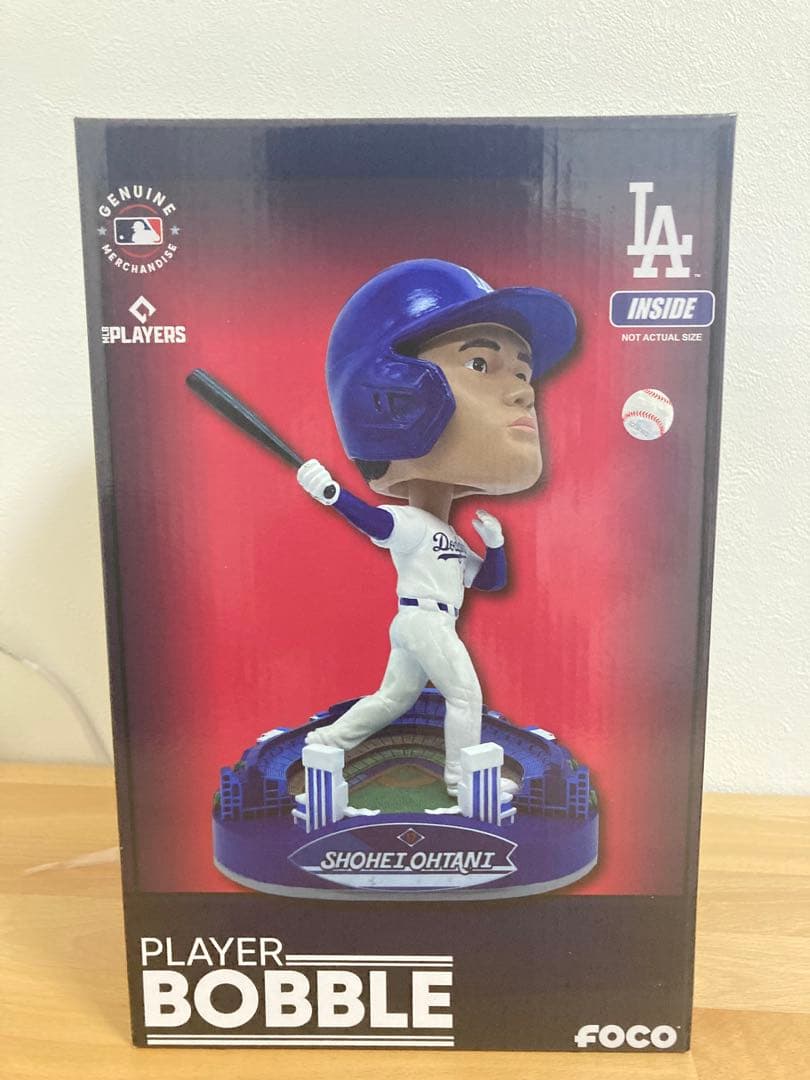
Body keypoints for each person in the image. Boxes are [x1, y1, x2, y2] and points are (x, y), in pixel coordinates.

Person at [297, 260, 576, 795]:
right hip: (424, 621)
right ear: (393, 389)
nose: (525, 392)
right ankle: (462, 779)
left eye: (522, 373)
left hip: (425, 622)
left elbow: (489, 581)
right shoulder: (409, 524)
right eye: (480, 363)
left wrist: (495, 545)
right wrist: (331, 494)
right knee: (465, 695)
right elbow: (373, 521)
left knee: (393, 699)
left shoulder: (444, 536)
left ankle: (328, 741)